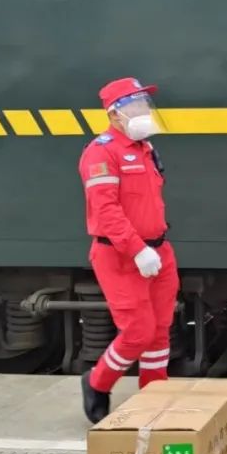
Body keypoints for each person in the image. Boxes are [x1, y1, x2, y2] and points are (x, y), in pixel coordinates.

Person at [78, 77, 179, 424]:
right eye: (136, 106)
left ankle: (154, 395)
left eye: (144, 104)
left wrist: (152, 249)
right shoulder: (100, 152)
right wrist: (137, 249)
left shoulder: (145, 149)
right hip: (120, 256)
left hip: (159, 251)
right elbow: (106, 210)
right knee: (138, 332)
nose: (144, 112)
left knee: (160, 329)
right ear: (114, 114)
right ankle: (97, 382)